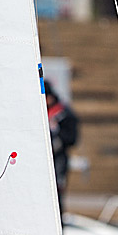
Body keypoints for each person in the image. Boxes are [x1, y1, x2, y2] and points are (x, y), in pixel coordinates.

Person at [44, 81, 79, 212]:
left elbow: (72, 138)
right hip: (40, 160)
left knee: (56, 193)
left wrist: (58, 135)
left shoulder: (64, 114)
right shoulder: (39, 113)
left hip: (58, 159)